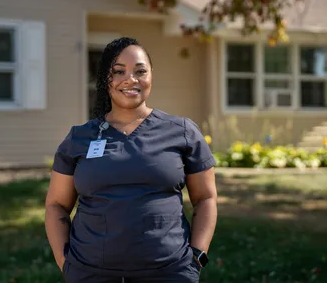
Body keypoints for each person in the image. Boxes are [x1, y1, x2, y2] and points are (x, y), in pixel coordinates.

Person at [45, 37, 218, 283]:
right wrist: (66, 263)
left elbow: (206, 198)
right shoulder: (80, 137)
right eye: (119, 71)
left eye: (140, 71)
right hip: (91, 273)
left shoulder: (182, 131)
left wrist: (197, 256)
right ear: (106, 78)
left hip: (169, 273)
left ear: (151, 76)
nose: (131, 79)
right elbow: (56, 205)